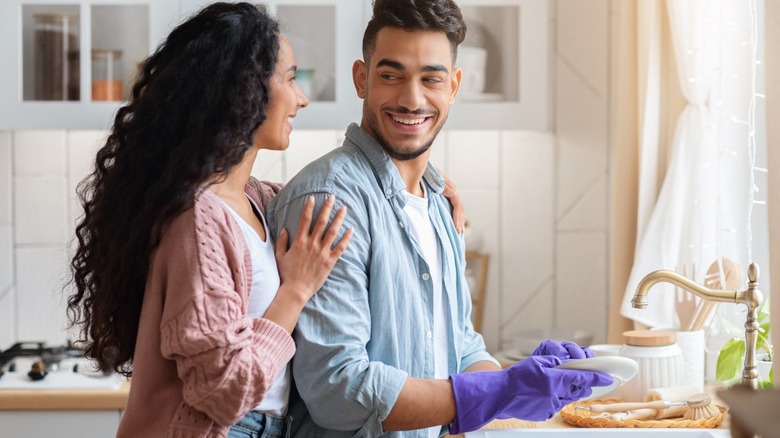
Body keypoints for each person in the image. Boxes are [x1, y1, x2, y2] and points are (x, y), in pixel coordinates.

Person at [266, 0, 614, 437]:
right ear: (361, 79)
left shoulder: (439, 202)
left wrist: (515, 384)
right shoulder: (332, 201)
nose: (412, 99)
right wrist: (494, 391)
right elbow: (339, 390)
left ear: (453, 86)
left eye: (431, 78)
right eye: (390, 76)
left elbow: (461, 348)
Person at [65, 3, 354, 437]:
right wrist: (295, 290)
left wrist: (431, 183)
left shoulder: (255, 200)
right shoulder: (197, 220)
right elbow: (222, 390)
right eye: (291, 79)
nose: (301, 98)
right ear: (245, 89)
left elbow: (344, 201)